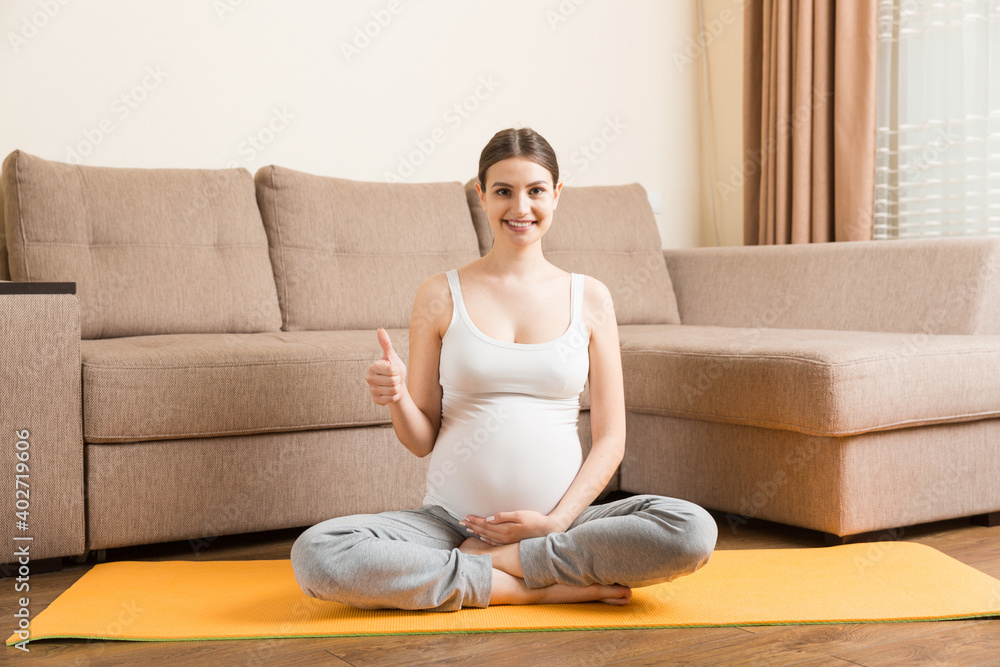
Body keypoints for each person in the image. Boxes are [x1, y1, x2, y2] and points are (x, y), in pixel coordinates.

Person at [290, 127, 717, 612]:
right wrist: (398, 398)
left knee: (691, 529)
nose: (520, 207)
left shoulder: (591, 297)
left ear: (556, 195)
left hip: (565, 524)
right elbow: (420, 440)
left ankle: (507, 562)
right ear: (481, 195)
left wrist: (555, 523)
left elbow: (611, 439)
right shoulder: (438, 294)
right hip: (452, 526)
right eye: (503, 192)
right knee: (319, 552)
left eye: (535, 191)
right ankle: (526, 587)